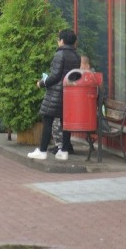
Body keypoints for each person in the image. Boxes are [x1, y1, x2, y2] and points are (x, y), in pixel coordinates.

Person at [28, 28, 81, 161]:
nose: (58, 42)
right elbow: (73, 76)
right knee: (66, 122)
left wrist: (42, 82)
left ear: (62, 41)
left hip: (56, 94)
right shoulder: (77, 56)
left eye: (58, 39)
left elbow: (56, 76)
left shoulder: (60, 54)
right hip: (68, 93)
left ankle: (42, 150)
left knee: (47, 120)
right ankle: (64, 151)